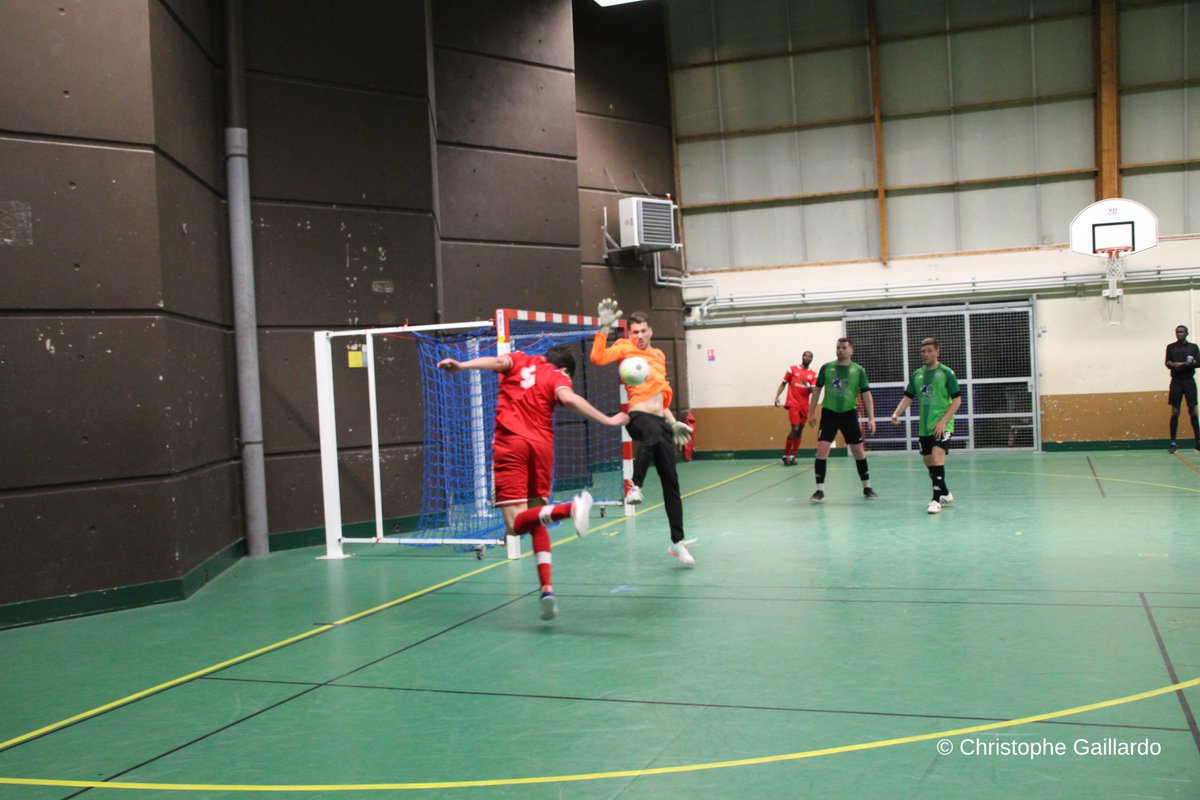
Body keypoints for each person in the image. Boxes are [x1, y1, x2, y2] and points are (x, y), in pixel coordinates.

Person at [437, 345, 629, 620]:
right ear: (565, 369)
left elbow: (496, 361)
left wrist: (462, 366)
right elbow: (569, 398)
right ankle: (547, 589)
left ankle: (570, 509)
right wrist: (608, 420)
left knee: (515, 525)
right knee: (536, 517)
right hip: (541, 447)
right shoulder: (558, 376)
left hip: (510, 444)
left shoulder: (520, 359)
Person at [590, 299, 696, 567]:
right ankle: (634, 485)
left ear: (650, 331)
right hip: (638, 417)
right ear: (629, 334)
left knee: (672, 483)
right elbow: (597, 357)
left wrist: (673, 422)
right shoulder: (624, 348)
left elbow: (662, 395)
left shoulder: (659, 356)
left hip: (661, 421)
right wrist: (604, 327)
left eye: (643, 331)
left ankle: (677, 542)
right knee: (651, 435)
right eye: (634, 332)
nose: (638, 336)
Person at [890, 338, 962, 514]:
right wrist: (896, 413)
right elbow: (908, 397)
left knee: (937, 458)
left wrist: (944, 421)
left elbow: (957, 401)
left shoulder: (946, 373)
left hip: (942, 424)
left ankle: (936, 500)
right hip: (924, 426)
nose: (926, 354)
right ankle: (945, 493)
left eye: (929, 350)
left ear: (937, 352)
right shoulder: (917, 375)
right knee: (928, 461)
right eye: (923, 351)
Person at [807, 337, 877, 502]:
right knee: (822, 449)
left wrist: (871, 418)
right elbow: (816, 391)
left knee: (858, 451)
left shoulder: (858, 370)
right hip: (829, 414)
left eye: (844, 347)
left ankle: (867, 487)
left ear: (851, 350)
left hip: (849, 414)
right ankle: (819, 490)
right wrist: (811, 413)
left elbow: (867, 395)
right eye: (838, 347)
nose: (840, 350)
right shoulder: (827, 368)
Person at [774, 350, 817, 465]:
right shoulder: (792, 369)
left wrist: (807, 385)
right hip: (793, 404)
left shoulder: (813, 374)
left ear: (812, 359)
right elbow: (783, 383)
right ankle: (785, 455)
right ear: (802, 357)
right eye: (805, 355)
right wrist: (777, 396)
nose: (807, 357)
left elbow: (813, 390)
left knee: (800, 431)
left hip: (804, 406)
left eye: (810, 356)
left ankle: (792, 456)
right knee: (795, 428)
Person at [1165, 324, 1200, 454]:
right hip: (1176, 382)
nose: (1179, 334)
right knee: (1175, 412)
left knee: (1193, 412)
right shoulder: (1171, 347)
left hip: (1189, 381)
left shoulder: (1193, 347)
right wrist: (1173, 364)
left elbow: (1198, 362)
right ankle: (1173, 443)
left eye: (1182, 332)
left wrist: (1185, 364)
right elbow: (1167, 363)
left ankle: (1198, 442)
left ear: (1187, 333)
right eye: (1177, 332)